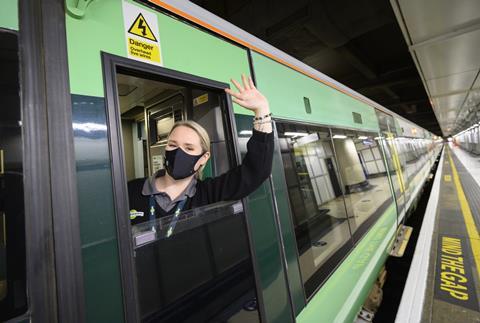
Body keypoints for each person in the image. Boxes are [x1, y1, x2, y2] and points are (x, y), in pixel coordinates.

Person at [128, 75, 274, 226]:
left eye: (189, 148)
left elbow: (257, 170)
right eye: (172, 145)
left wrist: (261, 111)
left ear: (204, 158)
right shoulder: (131, 190)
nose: (178, 152)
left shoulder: (209, 193)